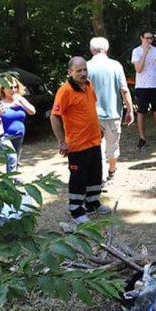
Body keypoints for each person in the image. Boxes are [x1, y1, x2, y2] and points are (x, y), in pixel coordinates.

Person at [50, 57, 111, 224]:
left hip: (94, 141)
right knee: (78, 178)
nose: (83, 73)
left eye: (85, 69)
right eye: (79, 71)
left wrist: (98, 127)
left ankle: (92, 203)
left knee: (95, 174)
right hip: (77, 144)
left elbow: (90, 108)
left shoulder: (89, 85)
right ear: (70, 72)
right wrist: (61, 141)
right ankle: (76, 209)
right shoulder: (65, 91)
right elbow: (54, 117)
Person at [87, 37, 134, 183]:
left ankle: (99, 176)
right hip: (113, 112)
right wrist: (130, 109)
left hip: (92, 114)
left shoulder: (86, 67)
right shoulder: (116, 65)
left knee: (96, 145)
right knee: (112, 144)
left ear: (91, 50)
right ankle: (112, 171)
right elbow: (124, 90)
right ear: (106, 49)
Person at [0, 77, 36, 179]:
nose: (13, 90)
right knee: (12, 157)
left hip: (18, 135)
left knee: (15, 159)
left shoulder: (20, 100)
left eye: (15, 87)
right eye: (9, 87)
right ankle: (10, 183)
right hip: (3, 136)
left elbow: (32, 111)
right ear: (3, 89)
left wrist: (21, 101)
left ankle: (14, 179)